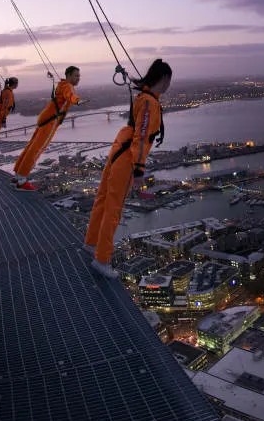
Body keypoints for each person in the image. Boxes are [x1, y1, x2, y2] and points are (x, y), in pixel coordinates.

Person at [88, 59, 171, 278]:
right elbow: (142, 138)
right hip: (127, 158)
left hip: (118, 150)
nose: (168, 85)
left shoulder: (143, 97)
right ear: (163, 79)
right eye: (168, 81)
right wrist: (139, 170)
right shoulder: (149, 102)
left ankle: (91, 243)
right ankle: (102, 259)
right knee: (113, 209)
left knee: (102, 200)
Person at [12, 66, 86, 191]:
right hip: (51, 120)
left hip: (45, 117)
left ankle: (17, 174)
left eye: (79, 76)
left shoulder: (61, 85)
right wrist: (77, 101)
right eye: (76, 75)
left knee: (31, 146)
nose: (78, 78)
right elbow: (71, 95)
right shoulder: (68, 86)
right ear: (68, 76)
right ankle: (21, 180)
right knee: (37, 149)